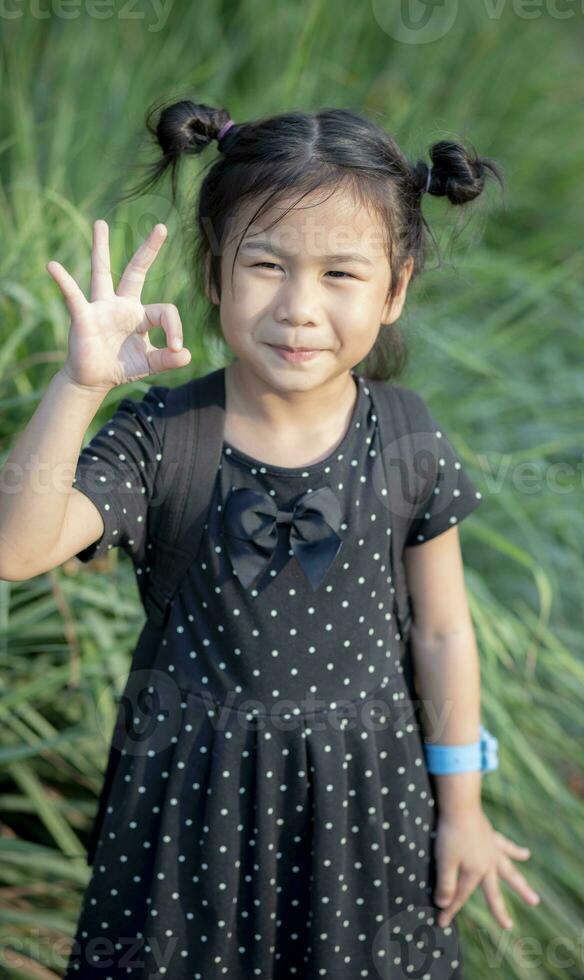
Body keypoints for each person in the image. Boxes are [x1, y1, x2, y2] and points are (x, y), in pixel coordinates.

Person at [0, 102, 540, 978]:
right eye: (266, 263)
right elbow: (17, 550)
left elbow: (442, 632)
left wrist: (465, 805)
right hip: (187, 814)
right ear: (215, 272)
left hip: (368, 807)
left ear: (395, 287)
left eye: (340, 273)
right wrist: (78, 385)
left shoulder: (404, 437)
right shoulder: (162, 436)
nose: (298, 307)